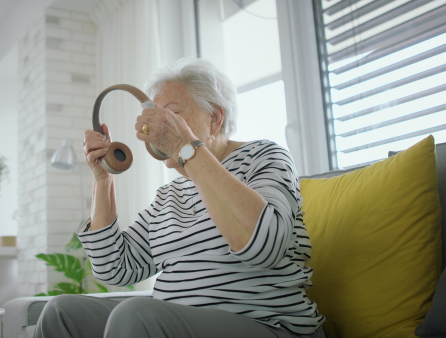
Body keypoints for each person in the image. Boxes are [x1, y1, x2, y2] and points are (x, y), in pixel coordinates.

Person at [33, 58, 326, 338]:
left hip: (266, 324)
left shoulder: (264, 157)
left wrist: (187, 148)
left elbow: (263, 245)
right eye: (153, 118)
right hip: (174, 323)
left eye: (171, 116)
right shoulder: (171, 194)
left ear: (214, 119)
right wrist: (102, 178)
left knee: (138, 316)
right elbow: (114, 267)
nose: (155, 129)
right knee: (61, 312)